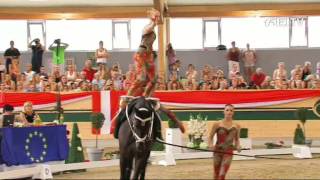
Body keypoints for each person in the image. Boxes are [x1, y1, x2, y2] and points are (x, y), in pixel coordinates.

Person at [126, 8, 160, 97]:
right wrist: (154, 18)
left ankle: (146, 95)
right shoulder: (146, 28)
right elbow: (152, 25)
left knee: (154, 79)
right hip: (141, 54)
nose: (157, 21)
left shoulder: (152, 27)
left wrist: (154, 17)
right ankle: (129, 94)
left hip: (149, 56)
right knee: (141, 78)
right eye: (156, 18)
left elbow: (154, 24)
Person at [208, 104, 241, 180]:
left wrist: (238, 146)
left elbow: (237, 140)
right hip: (217, 151)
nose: (229, 112)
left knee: (222, 175)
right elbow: (210, 137)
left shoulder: (237, 126)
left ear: (233, 112)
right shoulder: (217, 124)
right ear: (223, 111)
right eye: (227, 110)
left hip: (228, 152)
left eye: (231, 110)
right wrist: (210, 145)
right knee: (216, 174)